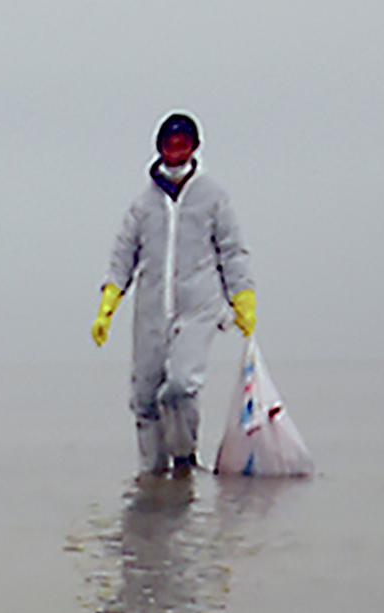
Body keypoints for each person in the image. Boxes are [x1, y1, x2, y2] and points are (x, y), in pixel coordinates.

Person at [90, 113, 256, 476]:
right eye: (169, 144)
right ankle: (152, 480)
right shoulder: (143, 206)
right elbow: (123, 256)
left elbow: (231, 250)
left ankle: (184, 458)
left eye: (183, 144)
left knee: (180, 386)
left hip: (197, 308)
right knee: (145, 398)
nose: (176, 151)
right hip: (151, 311)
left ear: (195, 147)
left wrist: (241, 297)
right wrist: (109, 303)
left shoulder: (213, 197)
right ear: (160, 148)